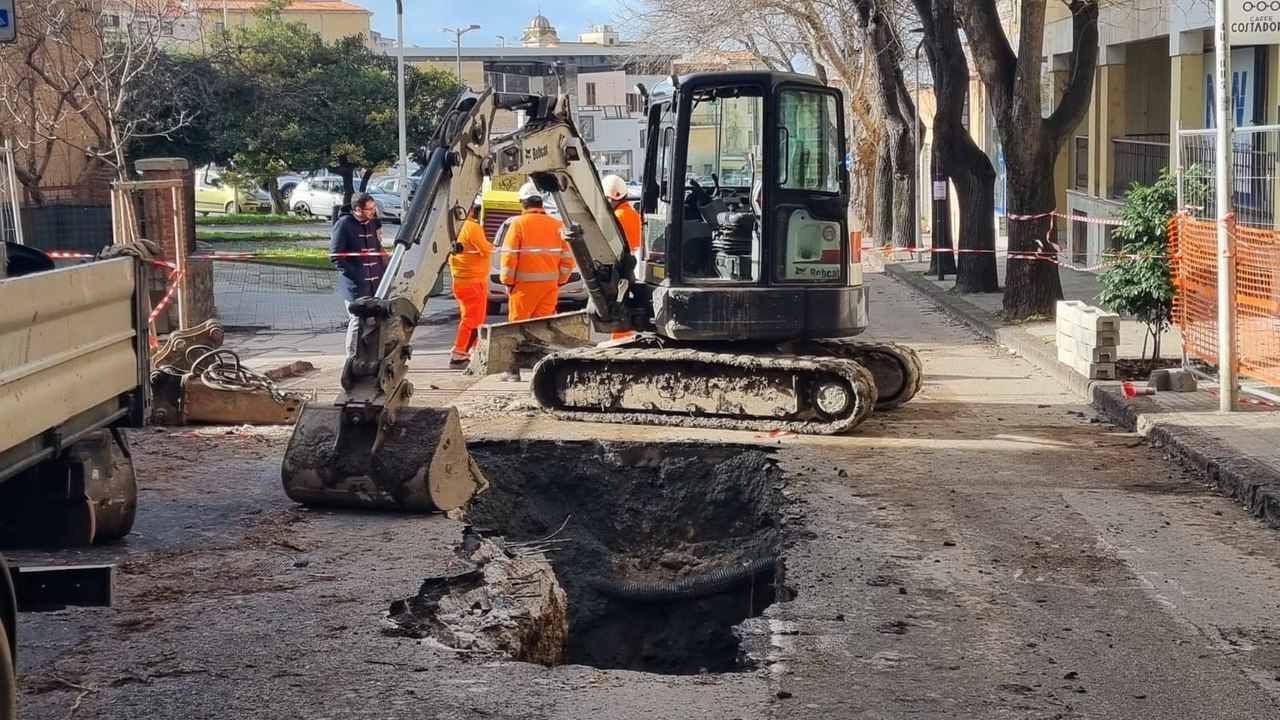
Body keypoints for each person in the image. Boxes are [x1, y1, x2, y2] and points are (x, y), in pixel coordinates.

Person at [500, 182, 573, 321]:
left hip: (523, 288)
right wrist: (560, 281)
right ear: (541, 203)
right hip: (549, 287)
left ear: (523, 203)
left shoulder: (518, 224)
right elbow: (568, 258)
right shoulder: (557, 225)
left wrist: (508, 282)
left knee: (517, 327)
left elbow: (509, 256)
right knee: (543, 327)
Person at [329, 192, 388, 357]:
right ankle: (352, 357)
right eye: (369, 209)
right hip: (355, 286)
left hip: (375, 283)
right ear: (357, 209)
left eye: (373, 208)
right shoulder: (344, 225)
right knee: (356, 320)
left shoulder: (373, 223)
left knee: (374, 321)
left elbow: (377, 249)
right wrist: (355, 274)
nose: (372, 212)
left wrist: (383, 269)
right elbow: (335, 255)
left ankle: (371, 356)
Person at [448, 202, 493, 367]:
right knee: (472, 321)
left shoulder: (453, 229)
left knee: (470, 318)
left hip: (460, 280)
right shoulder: (472, 228)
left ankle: (471, 350)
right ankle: (459, 354)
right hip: (474, 282)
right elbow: (485, 250)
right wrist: (491, 245)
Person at [602, 175, 641, 340]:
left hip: (620, 267)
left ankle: (620, 342)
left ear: (610, 198)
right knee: (623, 306)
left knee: (617, 308)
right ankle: (622, 338)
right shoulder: (634, 214)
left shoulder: (617, 218)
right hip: (632, 266)